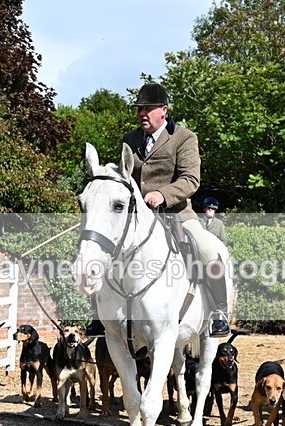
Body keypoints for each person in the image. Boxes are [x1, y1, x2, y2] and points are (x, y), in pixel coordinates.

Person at [85, 82, 231, 338]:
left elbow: (190, 179)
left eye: (148, 108)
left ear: (163, 110)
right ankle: (100, 315)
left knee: (209, 250)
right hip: (136, 218)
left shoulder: (184, 138)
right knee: (102, 249)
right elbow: (124, 176)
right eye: (140, 109)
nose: (142, 113)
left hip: (177, 215)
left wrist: (162, 195)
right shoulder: (130, 139)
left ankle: (219, 311)